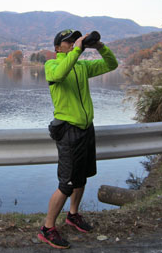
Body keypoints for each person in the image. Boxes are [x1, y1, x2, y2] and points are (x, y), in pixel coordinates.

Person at [38, 29, 118, 249]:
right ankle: (47, 228)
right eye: (68, 41)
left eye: (75, 40)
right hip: (68, 130)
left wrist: (100, 47)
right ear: (57, 48)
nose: (73, 43)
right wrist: (77, 51)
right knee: (66, 184)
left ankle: (73, 215)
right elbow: (60, 74)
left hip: (85, 128)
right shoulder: (52, 66)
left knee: (81, 177)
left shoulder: (82, 67)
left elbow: (112, 65)